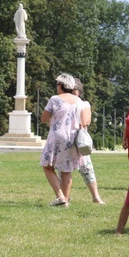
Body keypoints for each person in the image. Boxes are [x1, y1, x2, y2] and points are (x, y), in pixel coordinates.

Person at [40, 73, 85, 207]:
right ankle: (65, 200)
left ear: (61, 85)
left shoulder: (55, 99)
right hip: (72, 136)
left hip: (57, 134)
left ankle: (60, 196)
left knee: (48, 166)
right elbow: (82, 119)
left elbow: (43, 118)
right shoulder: (78, 100)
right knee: (66, 169)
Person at [73, 79, 105, 204]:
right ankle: (64, 196)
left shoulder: (84, 104)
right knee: (63, 169)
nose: (73, 92)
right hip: (67, 139)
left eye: (75, 90)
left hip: (79, 140)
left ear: (79, 92)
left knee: (86, 168)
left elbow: (86, 121)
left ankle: (95, 197)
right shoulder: (63, 103)